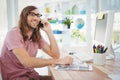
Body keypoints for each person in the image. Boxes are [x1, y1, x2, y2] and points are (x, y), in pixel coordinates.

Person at [0, 5, 73, 80]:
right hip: (17, 78)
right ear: (24, 17)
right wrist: (58, 61)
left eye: (38, 15)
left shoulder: (36, 36)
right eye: (32, 14)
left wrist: (49, 31)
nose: (35, 18)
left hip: (32, 76)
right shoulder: (13, 34)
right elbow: (26, 62)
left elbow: (55, 55)